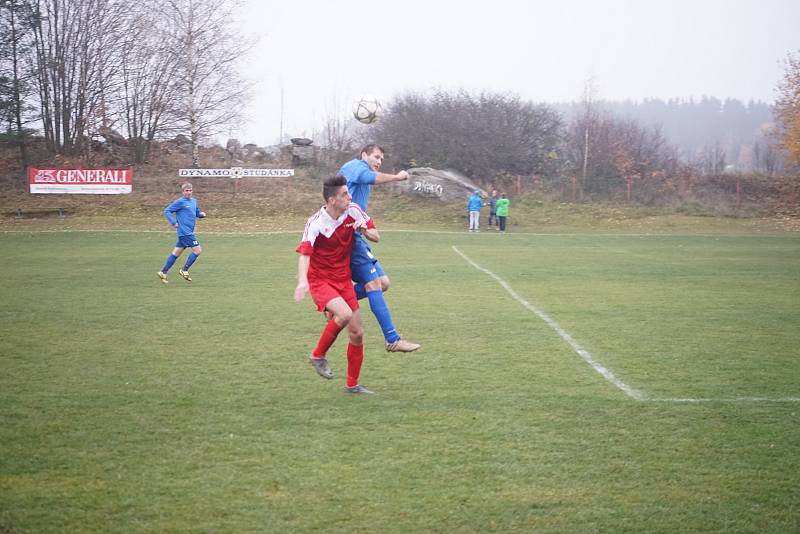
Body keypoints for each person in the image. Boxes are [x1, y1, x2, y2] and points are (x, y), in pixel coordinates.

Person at [294, 175, 379, 394]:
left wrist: (364, 230)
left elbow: (376, 236)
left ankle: (352, 385)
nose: (349, 197)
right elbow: (304, 254)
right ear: (332, 200)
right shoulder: (316, 223)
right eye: (344, 194)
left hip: (343, 279)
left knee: (357, 333)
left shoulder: (353, 211)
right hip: (320, 279)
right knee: (344, 314)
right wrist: (302, 282)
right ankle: (318, 355)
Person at [338, 144, 421, 353]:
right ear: (364, 155)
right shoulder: (355, 167)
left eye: (381, 159)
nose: (379, 161)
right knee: (374, 283)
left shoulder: (360, 175)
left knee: (383, 283)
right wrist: (397, 177)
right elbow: (369, 177)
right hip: (345, 235)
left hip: (355, 234)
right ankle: (392, 339)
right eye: (376, 157)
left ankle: (337, 301)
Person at [157, 182, 206, 284]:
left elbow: (196, 212)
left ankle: (163, 272)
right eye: (186, 191)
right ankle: (184, 270)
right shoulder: (180, 202)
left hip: (187, 232)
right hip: (185, 232)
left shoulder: (194, 201)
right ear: (183, 192)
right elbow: (167, 211)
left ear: (192, 191)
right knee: (197, 250)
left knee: (175, 254)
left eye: (190, 190)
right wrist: (173, 222)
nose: (188, 192)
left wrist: (201, 214)